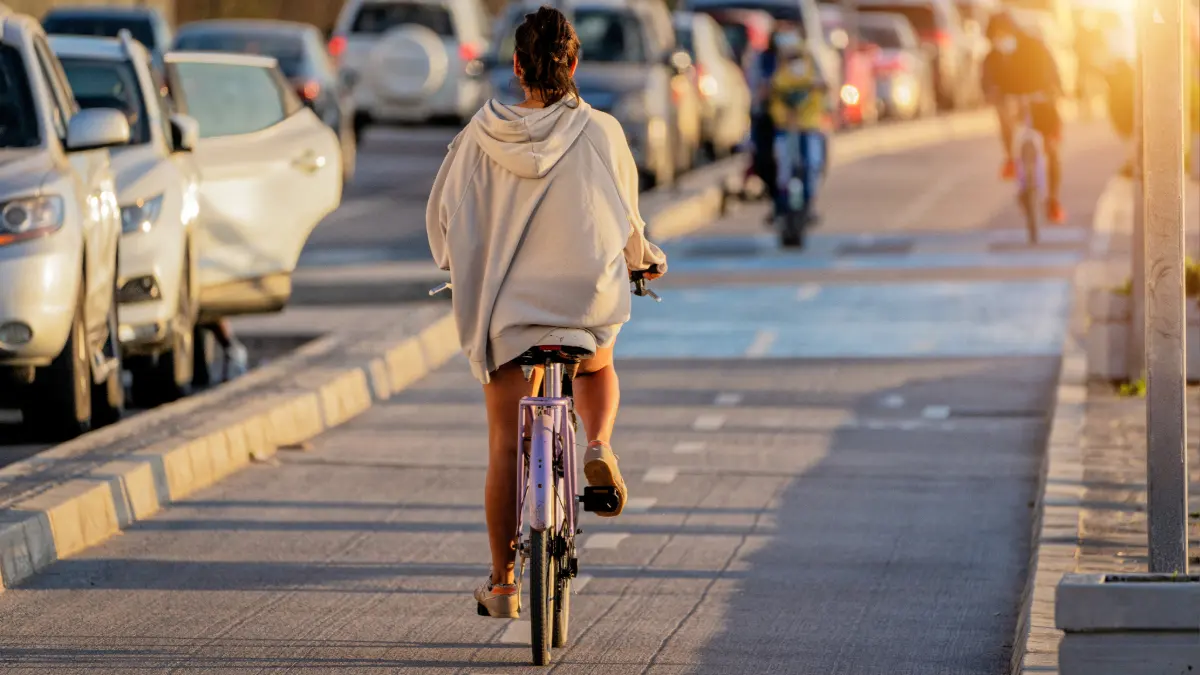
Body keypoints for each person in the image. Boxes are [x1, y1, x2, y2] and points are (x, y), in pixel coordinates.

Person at [425, 7, 667, 619]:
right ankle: (601, 443)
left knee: (505, 441)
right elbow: (626, 222)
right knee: (598, 361)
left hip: (506, 318)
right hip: (582, 304)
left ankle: (503, 582)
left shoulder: (477, 138)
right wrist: (644, 260)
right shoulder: (602, 132)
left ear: (515, 67)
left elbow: (442, 225)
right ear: (574, 63)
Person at [982, 10, 1068, 224]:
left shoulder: (1034, 46)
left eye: (1004, 33)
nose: (1001, 39)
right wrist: (992, 93)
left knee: (1052, 149)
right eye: (996, 35)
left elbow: (1052, 70)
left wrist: (1055, 89)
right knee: (1003, 115)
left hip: (1040, 101)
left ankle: (1053, 200)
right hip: (1013, 102)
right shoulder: (993, 56)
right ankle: (1010, 159)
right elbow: (986, 80)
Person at [767, 32, 827, 224]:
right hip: (786, 129)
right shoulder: (778, 74)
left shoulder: (811, 70)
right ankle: (782, 205)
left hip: (809, 129)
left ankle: (809, 204)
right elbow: (770, 94)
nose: (793, 59)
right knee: (783, 168)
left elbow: (825, 88)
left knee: (813, 163)